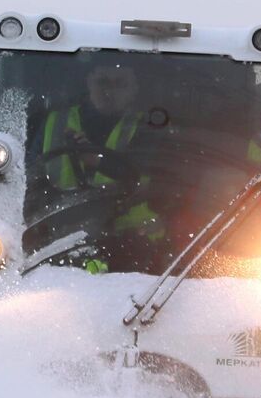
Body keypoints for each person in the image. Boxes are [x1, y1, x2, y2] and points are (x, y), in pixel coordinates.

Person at [32, 61, 166, 271]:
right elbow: (27, 179)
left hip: (135, 246)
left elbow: (149, 176)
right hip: (61, 243)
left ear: (135, 89)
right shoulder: (55, 122)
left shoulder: (147, 128)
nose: (109, 91)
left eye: (120, 84)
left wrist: (97, 161)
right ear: (88, 83)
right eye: (102, 82)